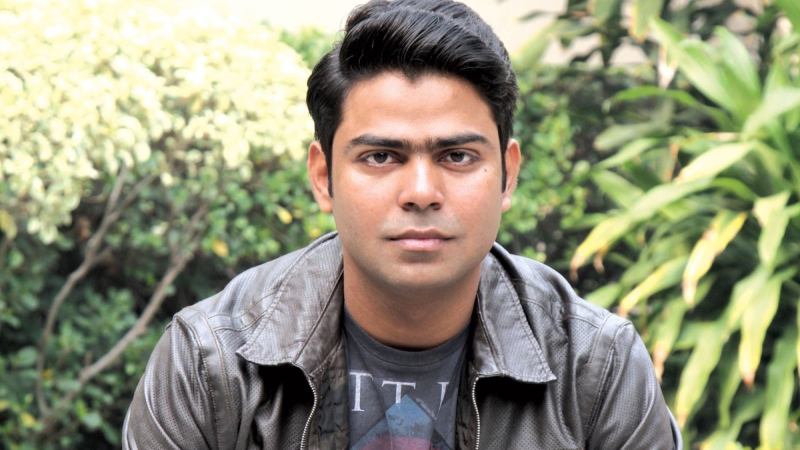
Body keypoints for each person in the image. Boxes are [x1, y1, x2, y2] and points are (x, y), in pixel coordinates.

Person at [123, 1, 683, 448]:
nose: (420, 192)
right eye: (381, 156)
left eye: (457, 156)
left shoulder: (594, 366)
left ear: (508, 175)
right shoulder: (213, 362)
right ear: (323, 177)